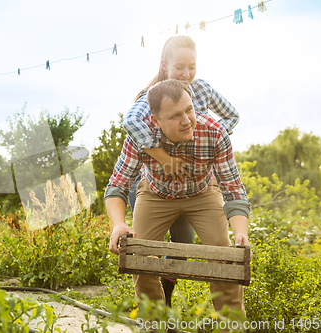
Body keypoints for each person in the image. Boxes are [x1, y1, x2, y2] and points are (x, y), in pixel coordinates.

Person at [105, 79, 250, 318]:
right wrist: (118, 224)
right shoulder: (139, 138)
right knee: (140, 256)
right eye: (175, 116)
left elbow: (233, 189)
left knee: (225, 256)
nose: (187, 120)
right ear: (155, 120)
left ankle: (232, 324)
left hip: (202, 194)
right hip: (156, 194)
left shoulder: (214, 133)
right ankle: (156, 323)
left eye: (189, 109)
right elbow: (117, 186)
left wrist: (240, 233)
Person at [123, 35, 240, 306]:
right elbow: (130, 121)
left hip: (197, 185)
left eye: (192, 66)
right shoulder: (152, 95)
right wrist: (161, 154)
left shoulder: (202, 89)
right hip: (157, 184)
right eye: (179, 67)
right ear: (164, 66)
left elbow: (232, 115)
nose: (186, 73)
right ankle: (156, 312)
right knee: (146, 252)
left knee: (181, 250)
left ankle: (169, 299)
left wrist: (210, 137)